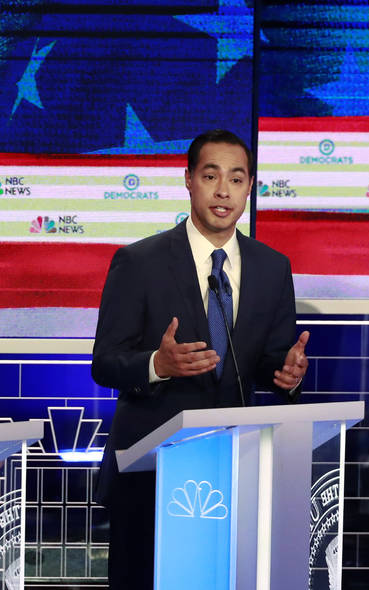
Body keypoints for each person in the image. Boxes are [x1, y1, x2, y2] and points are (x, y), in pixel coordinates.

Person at [91, 129, 310, 589]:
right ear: (188, 180)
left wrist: (286, 376)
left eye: (236, 177)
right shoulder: (139, 262)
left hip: (233, 472)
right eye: (211, 176)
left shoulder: (272, 267)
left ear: (251, 186)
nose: (223, 190)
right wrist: (157, 364)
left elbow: (268, 363)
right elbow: (105, 362)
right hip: (149, 476)